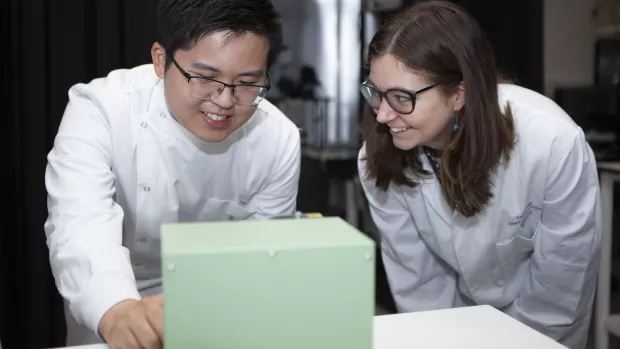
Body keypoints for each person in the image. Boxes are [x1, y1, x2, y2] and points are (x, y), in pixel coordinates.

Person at [44, 0, 300, 348]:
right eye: (206, 78)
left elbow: (262, 261)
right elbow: (80, 224)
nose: (224, 101)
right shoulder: (101, 109)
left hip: (220, 311)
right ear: (161, 60)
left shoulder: (277, 138)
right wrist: (118, 312)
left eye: (246, 83)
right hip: (110, 303)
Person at [357, 1, 601, 348]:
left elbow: (560, 283)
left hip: (542, 330)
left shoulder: (552, 143)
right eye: (377, 94)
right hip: (453, 322)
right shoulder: (379, 156)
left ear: (459, 94)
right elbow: (419, 282)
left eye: (401, 98)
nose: (382, 116)